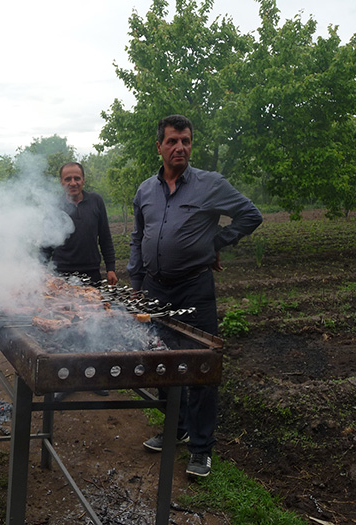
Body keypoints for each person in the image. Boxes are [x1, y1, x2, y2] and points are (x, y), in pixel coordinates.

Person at [128, 114, 262, 477]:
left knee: (201, 365)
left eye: (185, 141)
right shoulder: (145, 190)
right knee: (163, 363)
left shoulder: (210, 185)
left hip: (193, 287)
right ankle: (176, 428)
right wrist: (136, 281)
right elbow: (138, 238)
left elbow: (251, 215)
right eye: (172, 141)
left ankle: (201, 448)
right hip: (155, 289)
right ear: (159, 147)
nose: (180, 148)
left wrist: (215, 242)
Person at [42, 162, 118, 286]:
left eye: (77, 178)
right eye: (67, 179)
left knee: (93, 304)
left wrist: (111, 268)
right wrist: (42, 270)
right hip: (61, 275)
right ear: (61, 182)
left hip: (91, 274)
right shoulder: (55, 206)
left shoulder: (96, 201)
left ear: (83, 180)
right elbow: (46, 244)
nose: (73, 183)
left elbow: (105, 238)